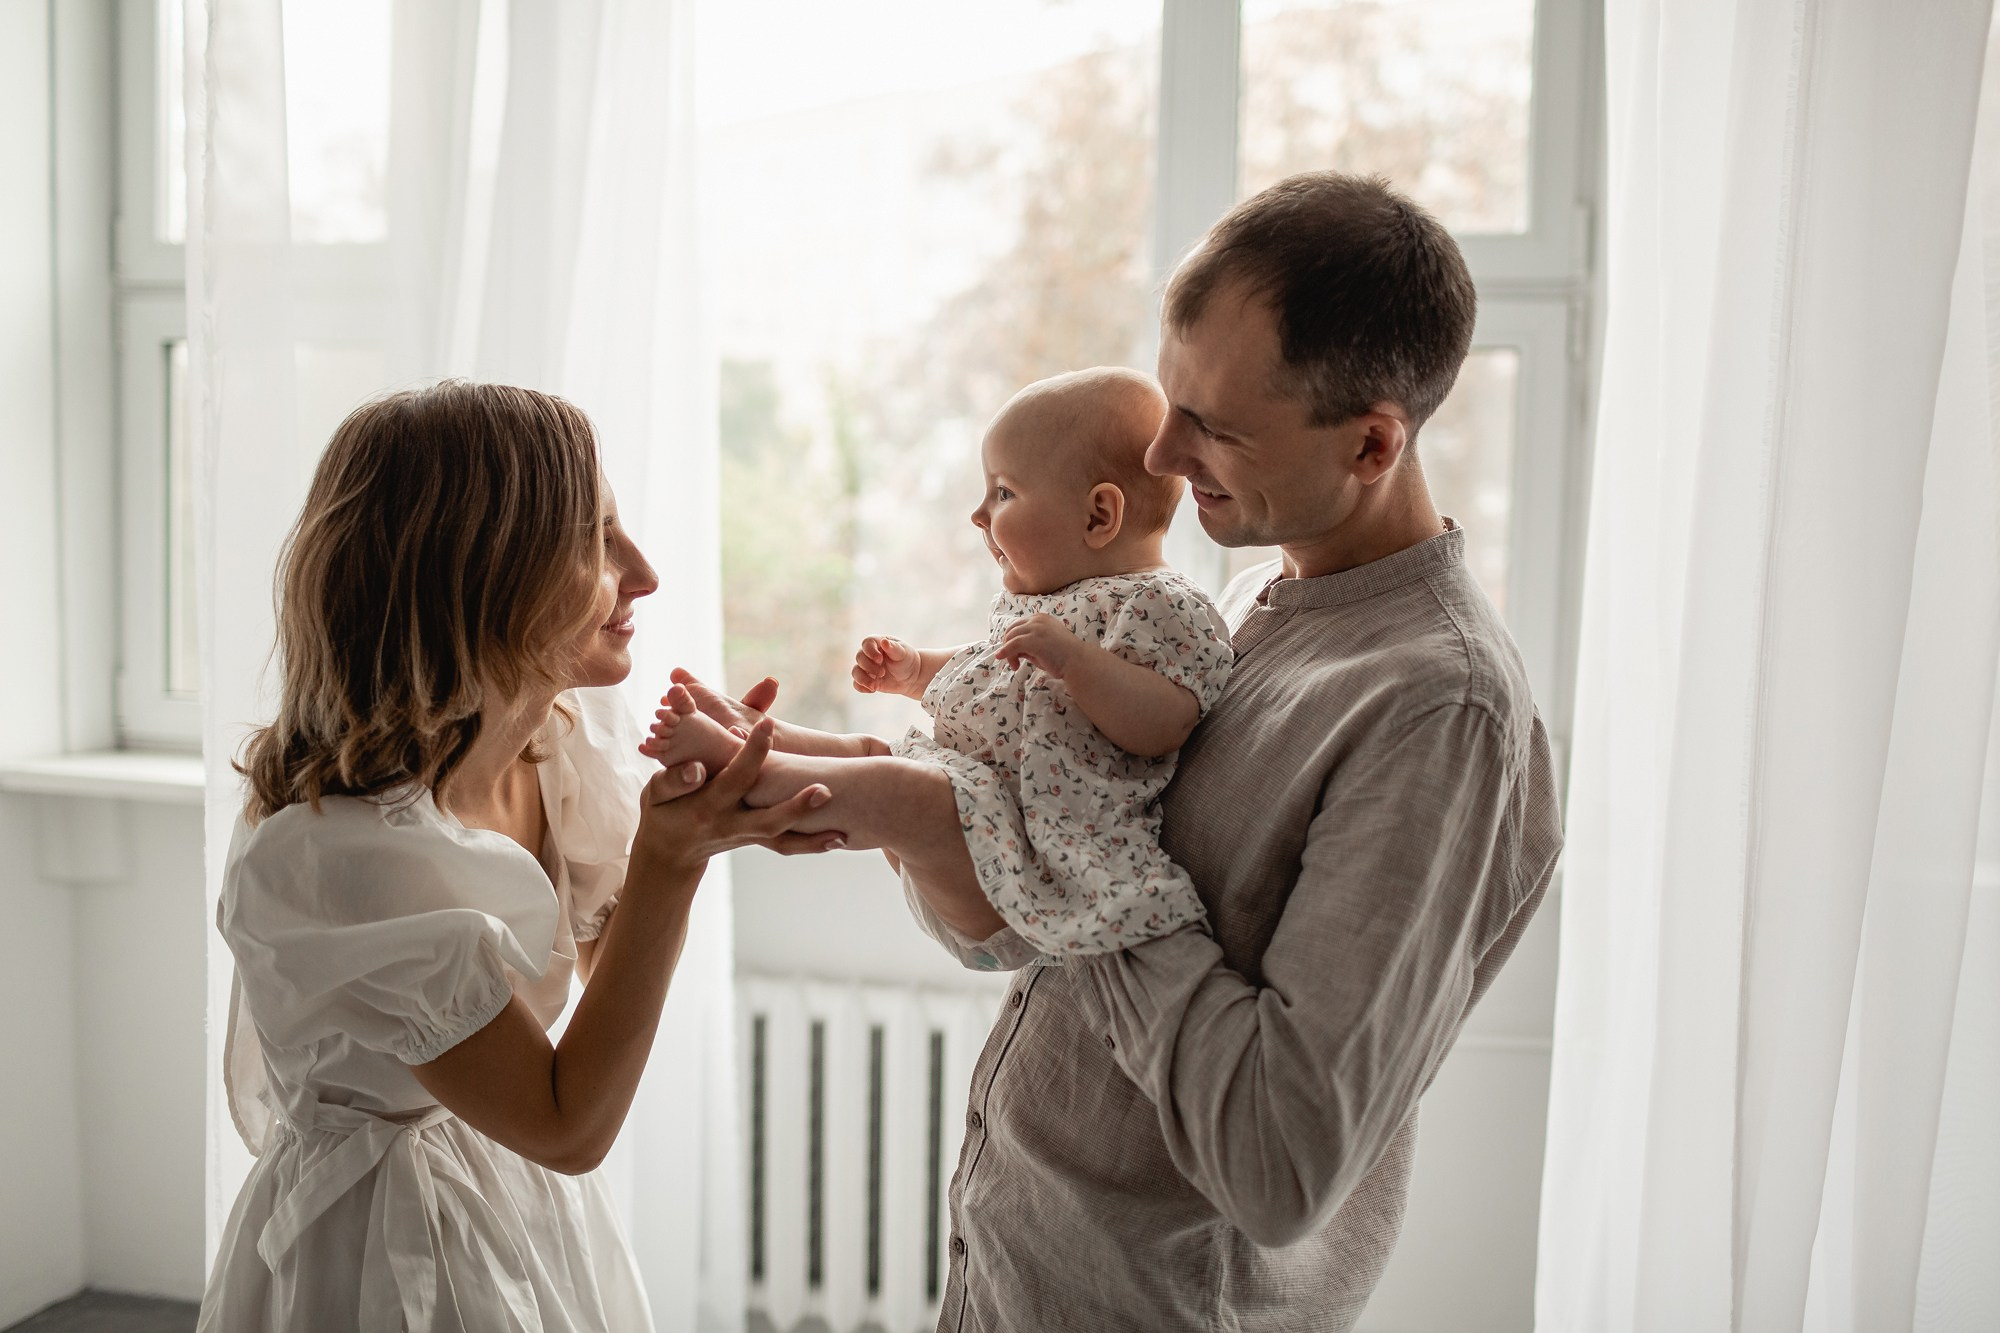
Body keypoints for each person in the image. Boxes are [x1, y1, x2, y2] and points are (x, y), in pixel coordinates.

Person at [676, 171, 1565, 1332]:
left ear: (1370, 443)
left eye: (1215, 429)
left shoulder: (1437, 710)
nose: (1158, 460)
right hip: (1009, 1281)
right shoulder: (1240, 607)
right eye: (1170, 403)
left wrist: (1082, 877)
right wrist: (928, 821)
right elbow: (1015, 931)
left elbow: (1277, 1159)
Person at [197, 382, 835, 1331]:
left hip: (514, 1198)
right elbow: (567, 1122)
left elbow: (601, 969)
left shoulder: (562, 743)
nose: (645, 572)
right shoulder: (342, 856)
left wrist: (721, 799)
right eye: (598, 539)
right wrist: (671, 860)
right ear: (484, 571)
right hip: (384, 1248)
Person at [643, 366, 1233, 956]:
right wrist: (917, 671)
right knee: (874, 755)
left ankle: (744, 773)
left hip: (1037, 863)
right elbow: (993, 666)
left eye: (1003, 493)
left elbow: (1166, 723)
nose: (979, 515)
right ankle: (754, 737)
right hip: (977, 817)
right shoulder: (1051, 603)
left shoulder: (1162, 606)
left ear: (1099, 516)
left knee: (903, 788)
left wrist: (1075, 662)